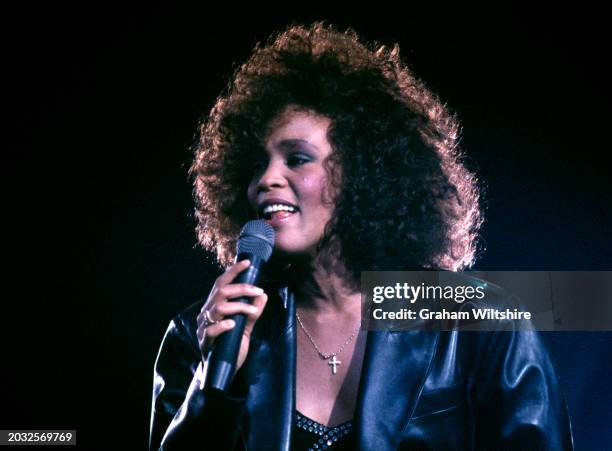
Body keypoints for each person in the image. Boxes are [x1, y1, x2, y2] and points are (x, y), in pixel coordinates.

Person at [149, 22, 573, 450]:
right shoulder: (200, 333)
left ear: (363, 173)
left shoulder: (477, 323)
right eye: (258, 164)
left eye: (297, 158)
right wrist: (213, 386)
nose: (267, 179)